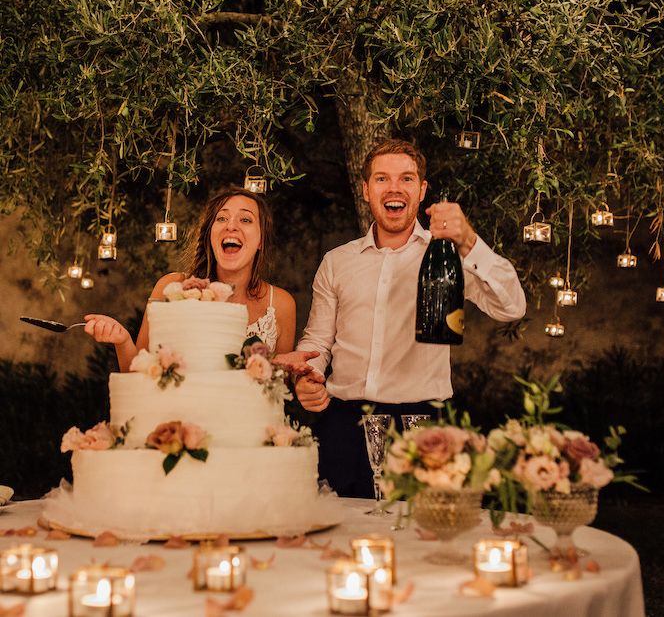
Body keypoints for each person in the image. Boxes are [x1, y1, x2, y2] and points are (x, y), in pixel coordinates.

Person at [294, 138, 527, 498]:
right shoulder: (337, 261)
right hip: (343, 426)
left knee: (421, 541)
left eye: (406, 178)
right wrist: (308, 373)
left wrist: (468, 240)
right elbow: (318, 342)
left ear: (421, 191)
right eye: (382, 178)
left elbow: (511, 306)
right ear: (366, 189)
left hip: (422, 427)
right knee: (337, 541)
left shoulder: (449, 255)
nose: (394, 188)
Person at [84, 187, 315, 372]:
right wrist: (123, 341)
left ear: (261, 240)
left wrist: (291, 370)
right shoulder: (170, 288)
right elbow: (137, 374)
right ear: (209, 234)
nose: (231, 226)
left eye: (245, 220)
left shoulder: (281, 304)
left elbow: (278, 391)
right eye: (222, 219)